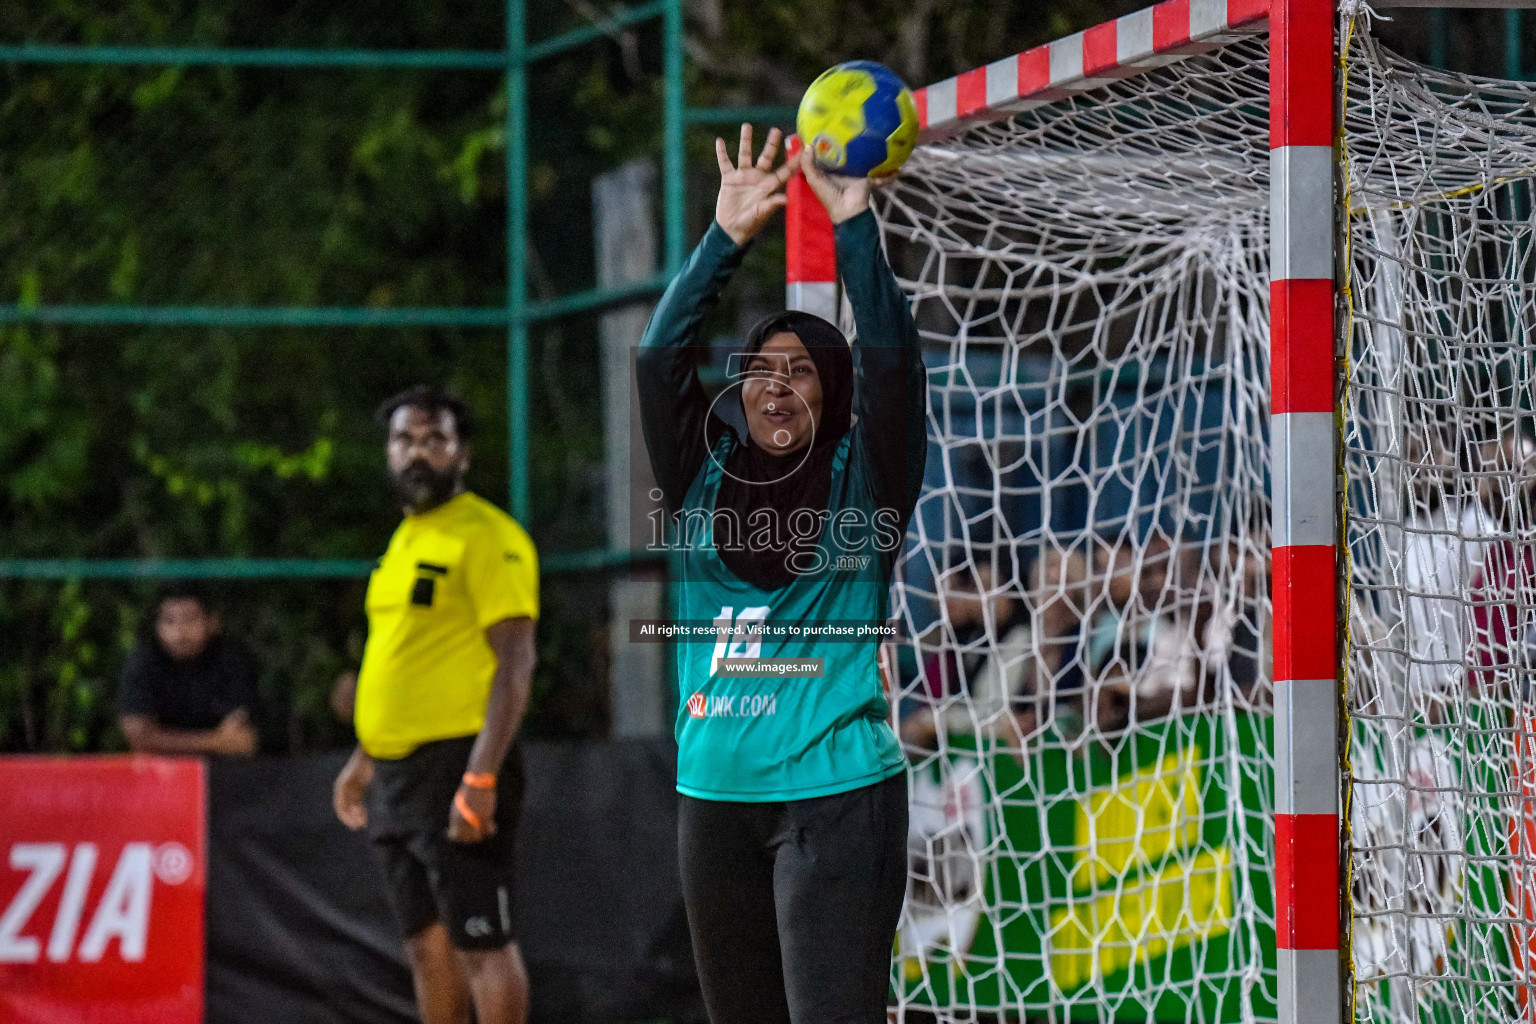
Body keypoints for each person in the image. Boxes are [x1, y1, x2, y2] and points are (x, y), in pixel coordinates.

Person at [636, 125, 927, 1024]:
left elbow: (893, 361)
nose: (773, 384)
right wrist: (723, 242)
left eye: (800, 371)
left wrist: (852, 224)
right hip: (713, 804)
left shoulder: (867, 474)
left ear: (832, 395)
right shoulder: (699, 473)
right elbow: (657, 359)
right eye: (760, 367)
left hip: (838, 799)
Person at [331, 386, 539, 1024]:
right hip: (396, 772)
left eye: (434, 439)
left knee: (482, 943)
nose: (417, 452)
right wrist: (364, 759)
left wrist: (481, 777)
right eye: (404, 440)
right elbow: (406, 660)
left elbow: (515, 661)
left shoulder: (488, 537)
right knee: (426, 946)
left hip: (457, 762)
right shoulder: (404, 539)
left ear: (463, 454)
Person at [118, 581, 260, 756]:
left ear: (213, 622)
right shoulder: (142, 663)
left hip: (220, 772)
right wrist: (215, 741)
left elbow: (242, 741)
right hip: (160, 773)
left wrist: (163, 740)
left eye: (190, 619)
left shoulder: (233, 660)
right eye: (169, 621)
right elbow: (140, 739)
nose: (179, 633)